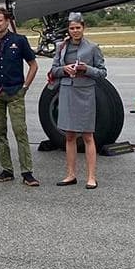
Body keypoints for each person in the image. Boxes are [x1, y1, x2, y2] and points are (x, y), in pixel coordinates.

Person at [0, 7, 40, 186]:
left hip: (14, 93)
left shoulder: (19, 41)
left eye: (0, 20)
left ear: (6, 21)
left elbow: (33, 65)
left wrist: (25, 86)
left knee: (20, 132)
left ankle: (27, 172)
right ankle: (6, 170)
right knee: (0, 134)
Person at [49, 13, 106, 189]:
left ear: (83, 28)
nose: (75, 31)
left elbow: (102, 72)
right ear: (69, 29)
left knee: (88, 135)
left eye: (78, 28)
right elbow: (53, 70)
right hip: (67, 91)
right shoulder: (61, 47)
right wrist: (64, 69)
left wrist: (86, 69)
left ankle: (91, 177)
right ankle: (71, 174)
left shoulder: (93, 48)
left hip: (85, 92)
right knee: (70, 135)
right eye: (72, 28)